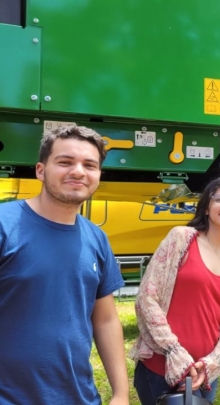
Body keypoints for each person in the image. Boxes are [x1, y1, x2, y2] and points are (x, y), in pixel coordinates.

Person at [0, 125, 128, 404]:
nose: (78, 171)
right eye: (65, 162)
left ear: (98, 175)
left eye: (89, 165)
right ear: (40, 170)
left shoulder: (97, 238)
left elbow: (105, 320)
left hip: (78, 396)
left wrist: (121, 393)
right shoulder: (4, 224)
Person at [129, 176, 220, 404]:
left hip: (205, 375)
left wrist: (213, 361)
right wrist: (174, 352)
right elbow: (147, 297)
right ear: (206, 207)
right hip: (163, 368)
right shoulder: (182, 238)